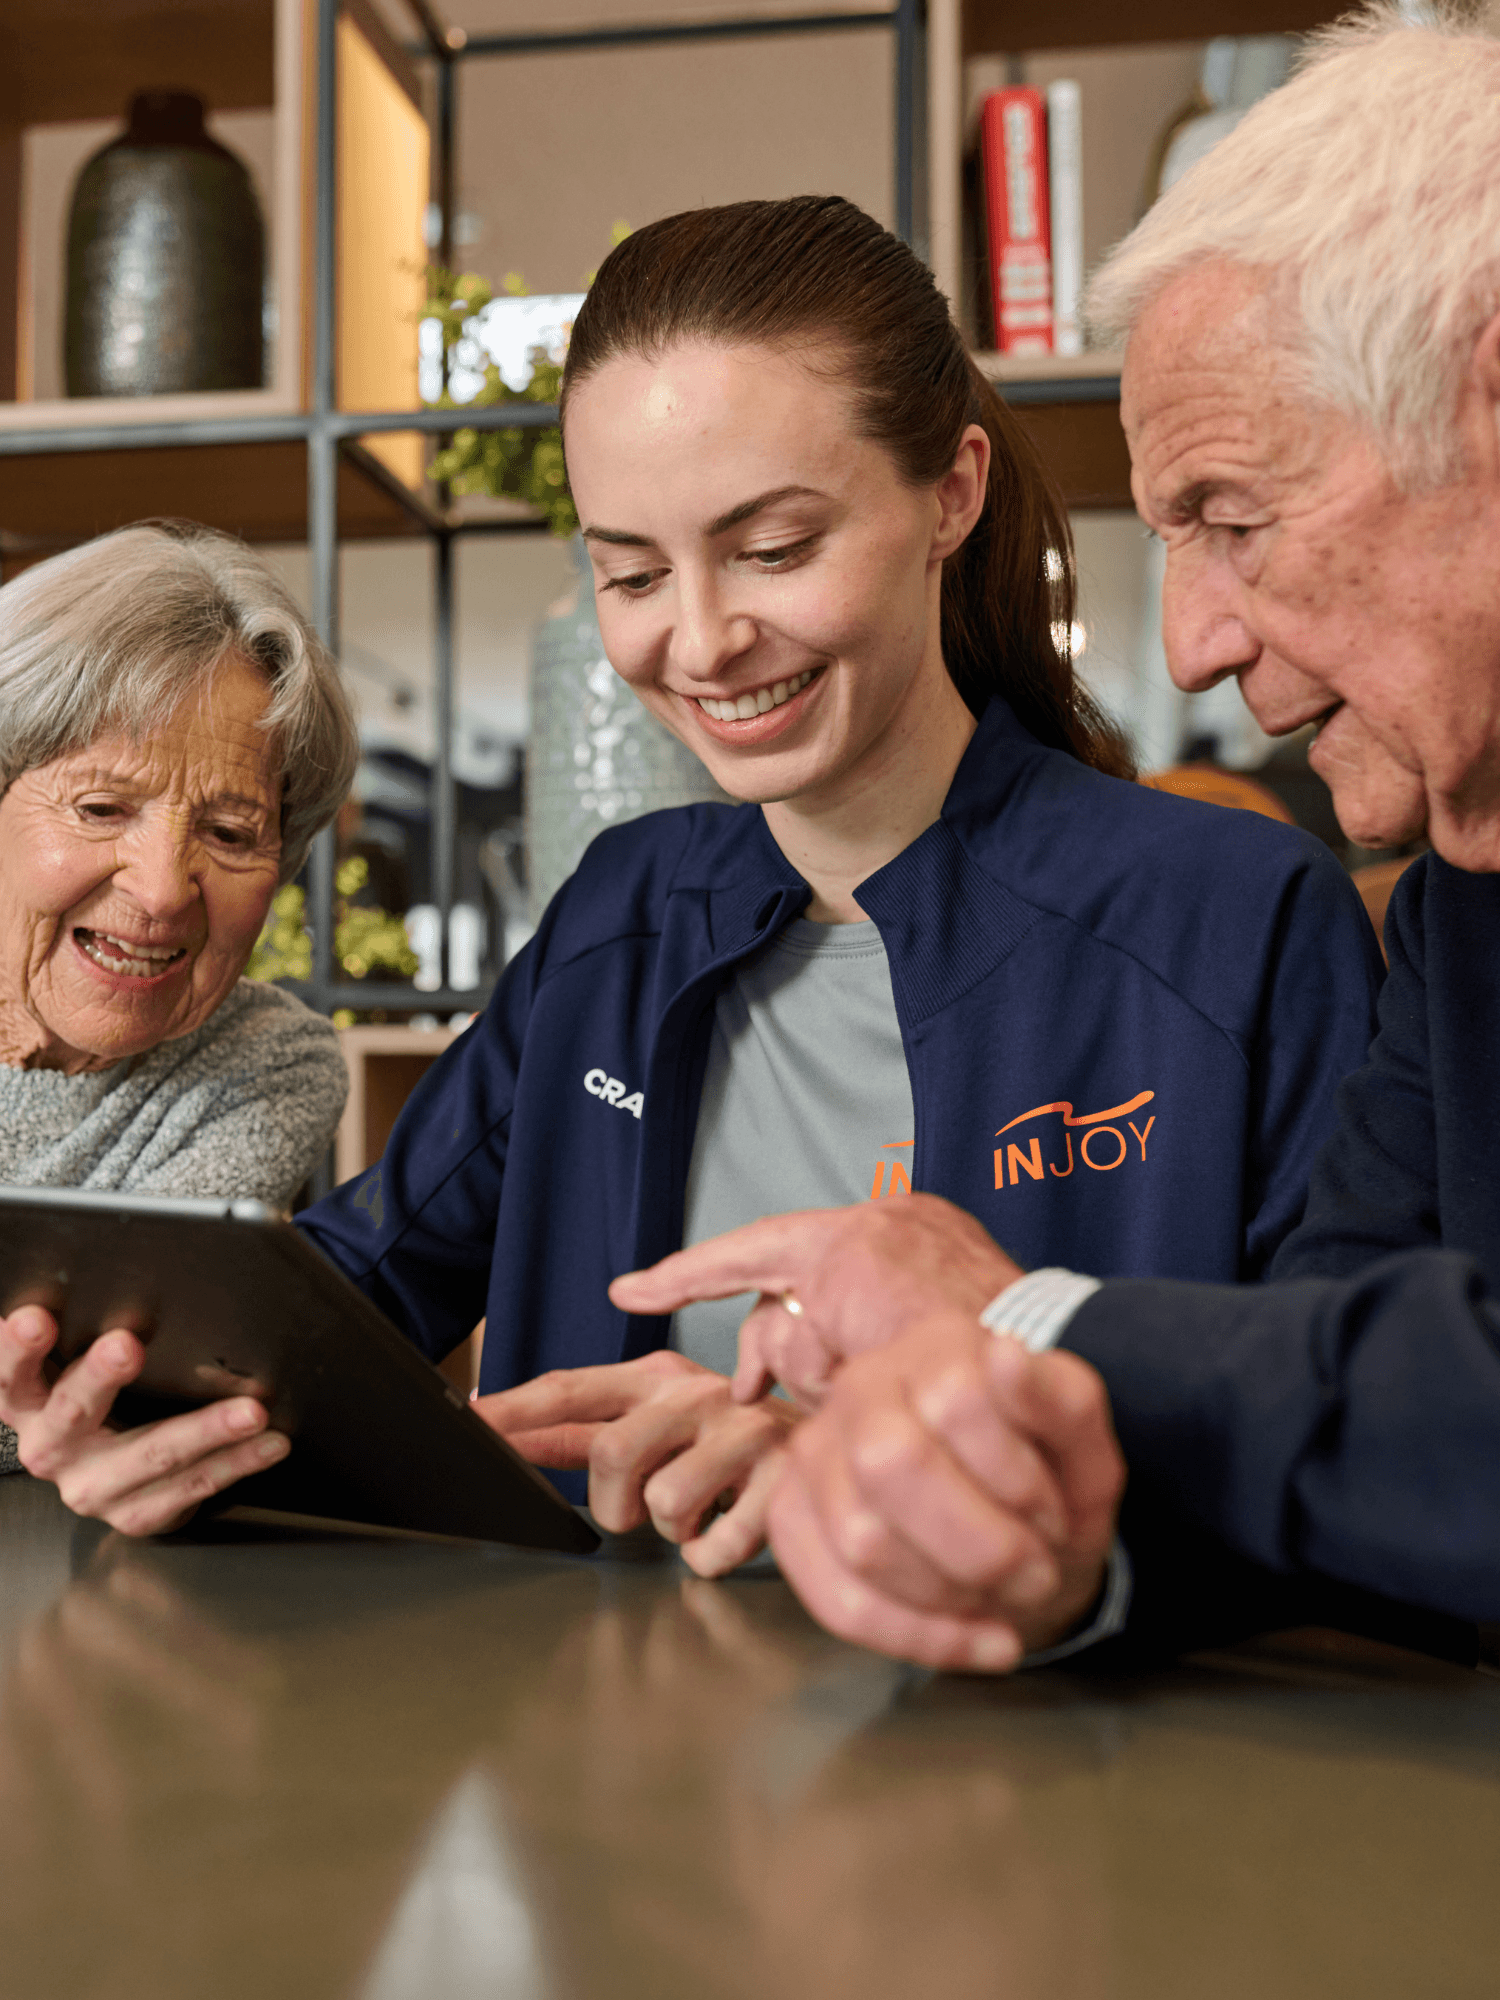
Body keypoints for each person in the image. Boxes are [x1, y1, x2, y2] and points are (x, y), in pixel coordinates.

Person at [0, 201, 1380, 1600]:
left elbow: (1357, 1457)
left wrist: (866, 1472)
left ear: (950, 494)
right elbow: (344, 1310)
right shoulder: (621, 917)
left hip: (1060, 1771)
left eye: (776, 547)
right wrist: (165, 1422)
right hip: (591, 1767)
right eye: (634, 572)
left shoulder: (1237, 918)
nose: (704, 639)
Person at [615, 3, 1500, 1669]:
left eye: (1234, 518)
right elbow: (1332, 1417)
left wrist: (1014, 1319)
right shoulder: (1461, 910)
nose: (1191, 651)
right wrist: (987, 1506)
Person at [0, 523, 358, 1508]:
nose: (162, 890)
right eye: (102, 808)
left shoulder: (266, 1064)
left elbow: (85, 1382)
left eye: (231, 831)